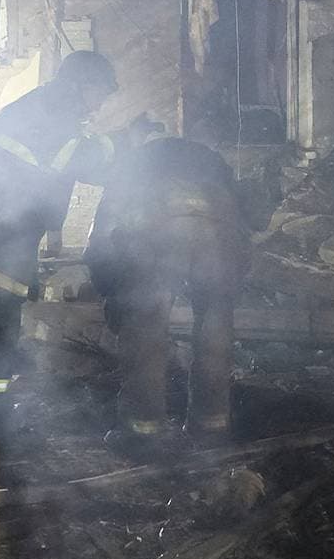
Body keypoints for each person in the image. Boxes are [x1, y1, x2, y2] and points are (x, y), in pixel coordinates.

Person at [0, 50, 119, 450]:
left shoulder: (37, 106)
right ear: (81, 85)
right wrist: (109, 151)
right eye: (100, 93)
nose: (101, 103)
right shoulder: (64, 127)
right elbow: (56, 200)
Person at [86, 133, 249, 454]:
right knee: (215, 318)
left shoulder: (127, 170)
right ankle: (212, 424)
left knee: (147, 321)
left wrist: (116, 301)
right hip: (223, 222)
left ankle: (143, 429)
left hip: (159, 221)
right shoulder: (206, 161)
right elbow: (245, 222)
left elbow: (99, 245)